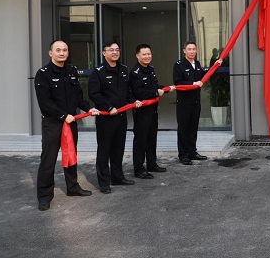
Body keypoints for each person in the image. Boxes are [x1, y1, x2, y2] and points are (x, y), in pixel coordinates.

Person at [34, 40, 100, 211]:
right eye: (58, 50)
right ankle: (44, 196)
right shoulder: (43, 74)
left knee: (71, 155)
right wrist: (63, 116)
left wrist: (89, 108)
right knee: (48, 160)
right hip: (53, 123)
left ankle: (72, 187)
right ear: (50, 53)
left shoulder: (71, 71)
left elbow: (78, 96)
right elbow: (45, 102)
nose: (62, 53)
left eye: (64, 50)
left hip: (71, 122)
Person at [89, 41, 141, 194]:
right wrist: (108, 107)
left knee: (118, 148)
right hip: (106, 118)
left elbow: (127, 91)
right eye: (111, 50)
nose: (115, 52)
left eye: (117, 49)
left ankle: (117, 177)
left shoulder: (123, 69)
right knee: (104, 150)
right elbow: (94, 94)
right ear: (104, 53)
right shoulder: (98, 72)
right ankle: (104, 182)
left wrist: (133, 101)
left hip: (121, 116)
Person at [129, 44, 175, 179]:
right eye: (144, 54)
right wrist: (156, 92)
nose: (147, 56)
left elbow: (154, 86)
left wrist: (166, 88)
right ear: (137, 56)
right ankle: (139, 169)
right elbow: (139, 92)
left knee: (151, 138)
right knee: (141, 140)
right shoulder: (135, 73)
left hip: (152, 111)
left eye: (149, 54)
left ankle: (152, 164)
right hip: (141, 112)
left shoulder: (151, 69)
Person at [173, 41, 208, 165]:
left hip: (196, 102)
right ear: (184, 51)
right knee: (183, 129)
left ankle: (192, 152)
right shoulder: (178, 65)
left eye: (194, 49)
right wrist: (192, 84)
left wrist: (216, 65)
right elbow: (177, 83)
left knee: (193, 128)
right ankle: (183, 155)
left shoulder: (197, 64)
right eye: (189, 49)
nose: (192, 51)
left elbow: (204, 75)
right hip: (184, 103)